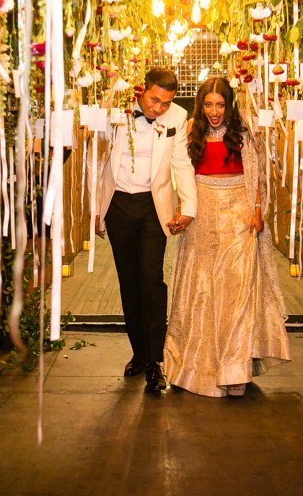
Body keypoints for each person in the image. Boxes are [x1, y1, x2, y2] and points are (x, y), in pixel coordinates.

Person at [163, 77, 292, 397]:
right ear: (200, 105)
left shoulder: (244, 130)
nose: (214, 111)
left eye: (220, 105)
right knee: (202, 291)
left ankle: (234, 371)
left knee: (236, 295)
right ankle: (195, 367)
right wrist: (182, 209)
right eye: (208, 104)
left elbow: (256, 172)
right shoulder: (190, 128)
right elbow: (179, 171)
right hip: (203, 214)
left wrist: (257, 211)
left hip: (239, 216)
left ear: (229, 105)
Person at [96, 68, 197, 393]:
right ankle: (138, 353)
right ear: (142, 91)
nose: (158, 109)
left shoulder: (178, 117)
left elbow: (181, 161)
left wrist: (188, 207)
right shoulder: (115, 109)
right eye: (154, 100)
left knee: (152, 279)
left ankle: (155, 362)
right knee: (129, 280)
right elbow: (95, 160)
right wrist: (95, 211)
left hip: (155, 207)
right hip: (118, 205)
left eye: (165, 103)